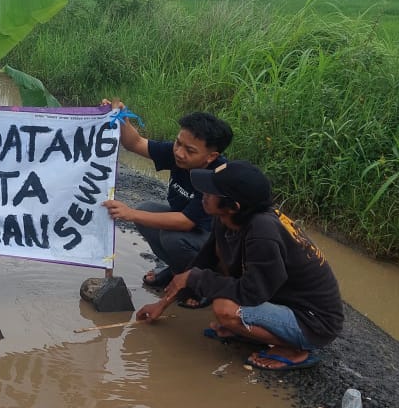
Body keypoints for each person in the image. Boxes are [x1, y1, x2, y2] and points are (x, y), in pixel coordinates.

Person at [135, 160, 344, 371]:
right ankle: (250, 331)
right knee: (217, 271)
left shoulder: (263, 232)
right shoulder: (227, 218)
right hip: (278, 298)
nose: (203, 194)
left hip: (313, 323)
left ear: (234, 206)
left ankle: (295, 349)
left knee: (225, 311)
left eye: (211, 192)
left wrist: (196, 279)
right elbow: (204, 261)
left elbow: (252, 292)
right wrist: (162, 303)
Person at [102, 107, 232, 299]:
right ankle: (177, 271)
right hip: (191, 230)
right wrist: (120, 116)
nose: (179, 153)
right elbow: (134, 143)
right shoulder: (178, 153)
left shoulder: (217, 177)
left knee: (172, 238)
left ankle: (200, 286)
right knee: (146, 210)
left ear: (211, 156)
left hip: (218, 244)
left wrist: (129, 213)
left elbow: (186, 222)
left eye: (189, 150)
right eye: (178, 143)